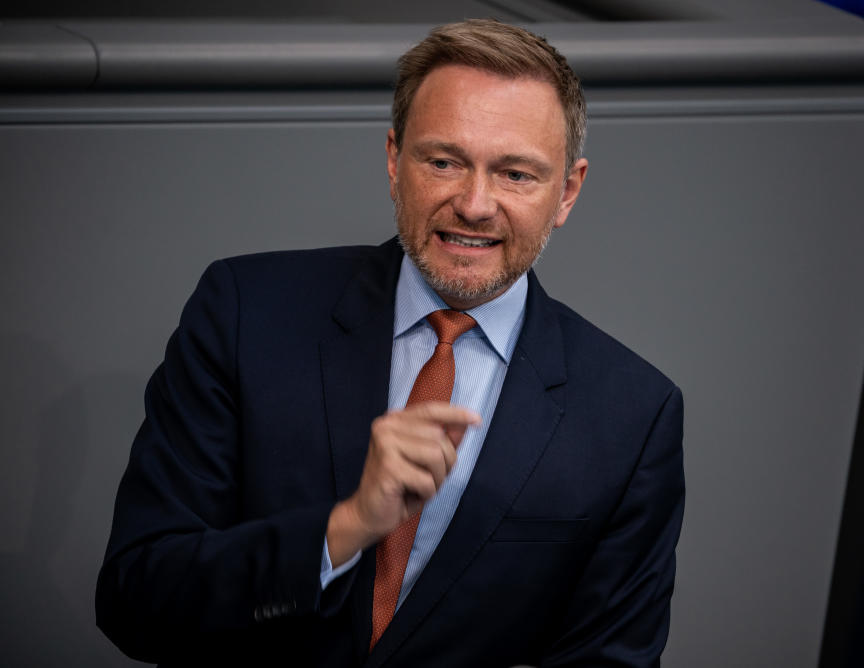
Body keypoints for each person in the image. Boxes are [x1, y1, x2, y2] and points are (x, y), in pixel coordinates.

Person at [96, 18, 684, 668]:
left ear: (567, 191)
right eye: (443, 161)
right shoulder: (244, 313)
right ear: (393, 159)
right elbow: (136, 597)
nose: (475, 203)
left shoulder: (633, 414)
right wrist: (343, 529)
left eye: (516, 174)